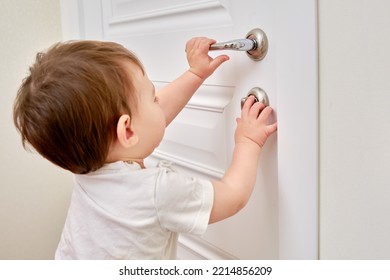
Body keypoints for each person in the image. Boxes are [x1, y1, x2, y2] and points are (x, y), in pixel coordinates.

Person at [13, 38, 277, 259]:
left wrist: (195, 74)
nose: (158, 101)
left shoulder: (87, 171)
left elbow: (151, 120)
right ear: (127, 131)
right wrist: (248, 142)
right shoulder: (157, 191)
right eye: (152, 96)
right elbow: (233, 196)